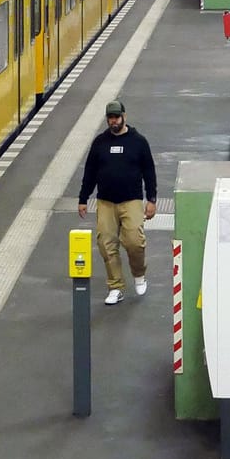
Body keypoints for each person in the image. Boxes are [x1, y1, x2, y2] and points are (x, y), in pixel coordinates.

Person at [77, 98, 158, 305]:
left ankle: (139, 275)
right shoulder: (99, 143)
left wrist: (152, 199)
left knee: (134, 242)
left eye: (116, 117)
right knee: (106, 243)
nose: (113, 121)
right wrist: (83, 198)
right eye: (110, 118)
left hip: (131, 200)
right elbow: (90, 172)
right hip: (105, 202)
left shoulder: (138, 142)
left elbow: (149, 171)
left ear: (124, 117)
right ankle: (116, 286)